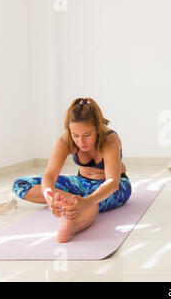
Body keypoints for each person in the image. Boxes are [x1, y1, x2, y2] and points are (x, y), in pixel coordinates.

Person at [12, 98, 132, 243]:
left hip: (113, 186)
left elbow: (113, 182)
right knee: (21, 184)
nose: (81, 141)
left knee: (94, 202)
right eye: (75, 135)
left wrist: (86, 202)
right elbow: (49, 175)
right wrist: (49, 195)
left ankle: (72, 225)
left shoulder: (109, 140)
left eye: (87, 135)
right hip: (80, 183)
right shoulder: (65, 140)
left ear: (98, 129)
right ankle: (72, 203)